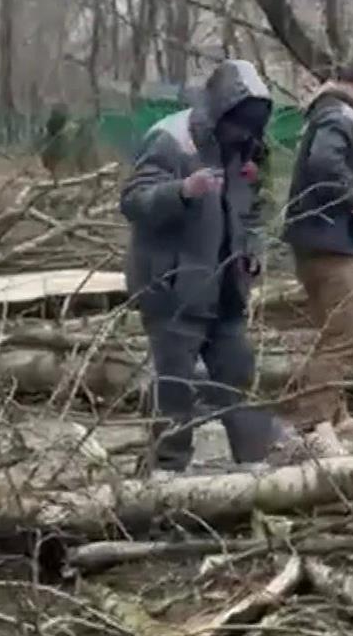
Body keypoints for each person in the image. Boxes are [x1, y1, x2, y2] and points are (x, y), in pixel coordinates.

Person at [120, 60, 281, 476]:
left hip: (226, 285)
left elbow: (250, 211)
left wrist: (252, 249)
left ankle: (255, 461)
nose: (243, 133)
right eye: (238, 124)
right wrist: (183, 191)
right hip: (172, 286)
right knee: (175, 382)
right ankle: (167, 468)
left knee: (237, 371)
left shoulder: (244, 151)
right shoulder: (172, 140)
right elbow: (135, 200)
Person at [279, 54, 353, 457]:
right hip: (325, 244)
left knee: (336, 330)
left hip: (324, 239)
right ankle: (313, 425)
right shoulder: (339, 116)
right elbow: (325, 164)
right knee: (346, 333)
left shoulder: (336, 114)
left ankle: (336, 414)